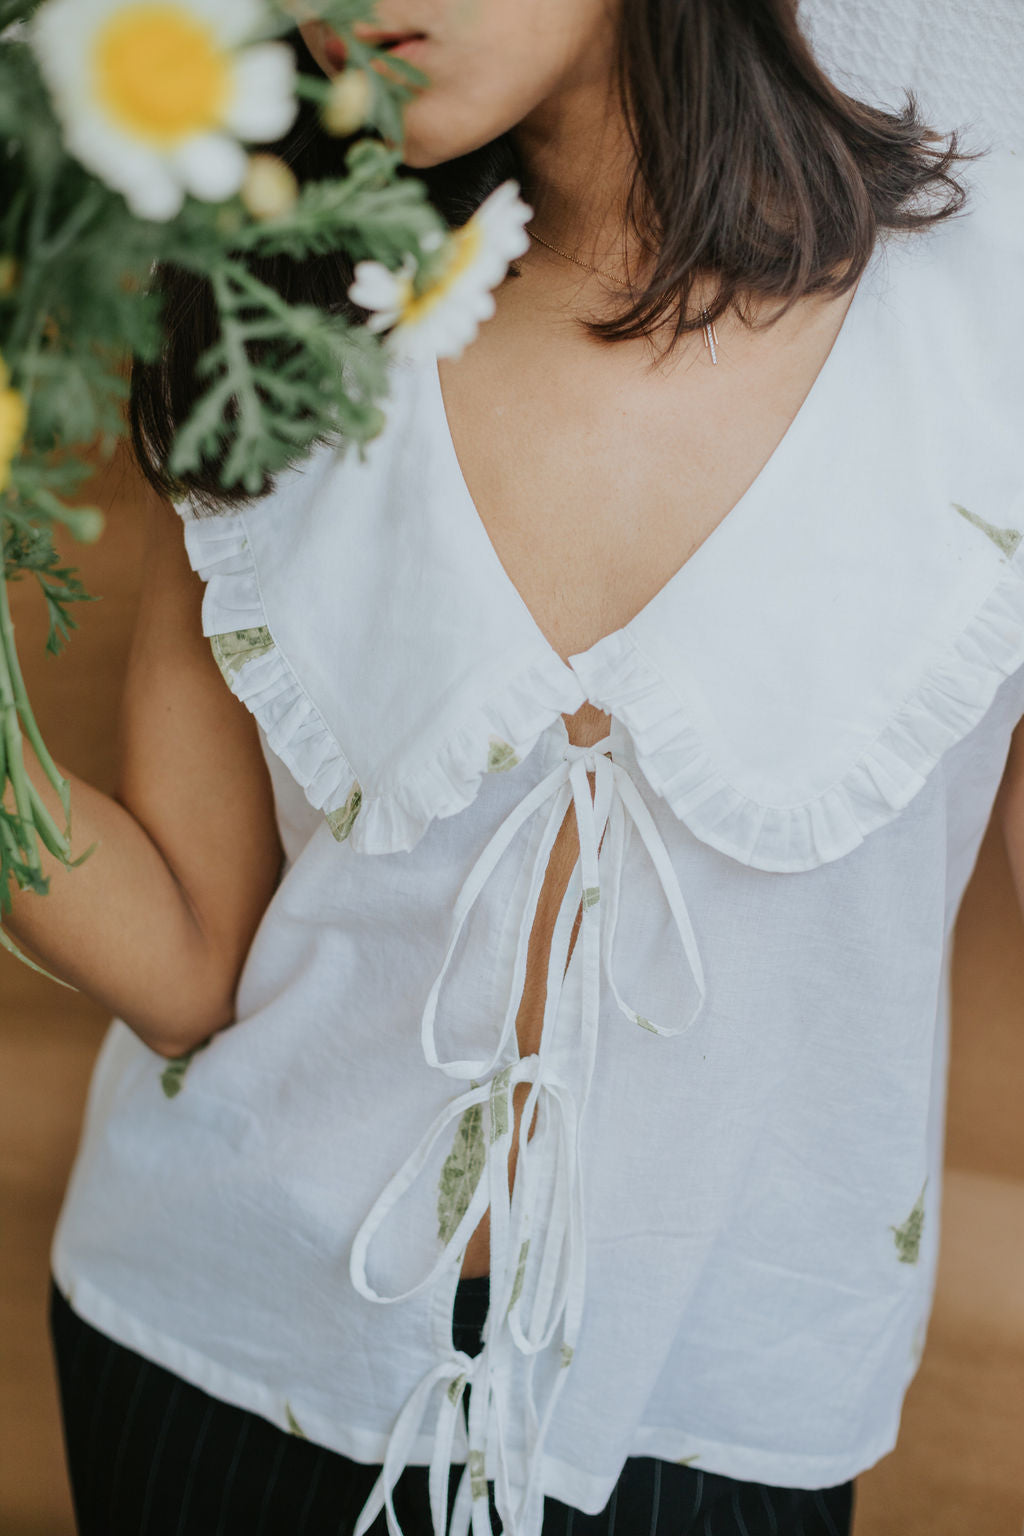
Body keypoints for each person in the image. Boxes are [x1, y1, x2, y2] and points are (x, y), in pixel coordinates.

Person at [9, 1, 1024, 1533]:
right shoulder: (276, 315)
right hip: (211, 1365)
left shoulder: (978, 321)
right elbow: (200, 957)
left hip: (712, 1429)